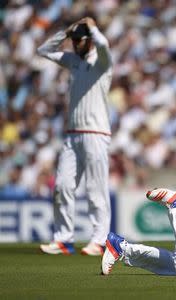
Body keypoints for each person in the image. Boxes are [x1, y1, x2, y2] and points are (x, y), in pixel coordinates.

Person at [38, 17, 113, 256]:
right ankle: (63, 239)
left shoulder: (102, 62)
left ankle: (100, 241)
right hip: (72, 135)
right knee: (62, 186)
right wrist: (66, 32)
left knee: (95, 189)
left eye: (78, 41)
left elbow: (104, 46)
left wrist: (92, 27)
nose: (73, 45)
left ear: (88, 40)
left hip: (96, 134)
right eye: (73, 41)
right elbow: (44, 50)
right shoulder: (74, 62)